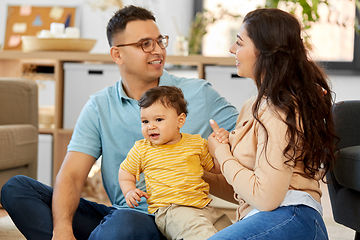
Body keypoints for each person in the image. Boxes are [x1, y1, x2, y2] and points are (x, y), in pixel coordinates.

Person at [0, 5, 239, 240]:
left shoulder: (199, 94)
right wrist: (62, 230)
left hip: (181, 216)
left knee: (125, 225)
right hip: (125, 214)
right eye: (146, 44)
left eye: (160, 41)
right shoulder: (99, 106)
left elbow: (250, 130)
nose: (157, 50)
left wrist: (220, 145)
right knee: (16, 189)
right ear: (117, 54)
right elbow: (71, 176)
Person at [207, 8, 337, 240]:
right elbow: (249, 191)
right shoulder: (252, 106)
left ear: (266, 52)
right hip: (268, 215)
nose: (231, 49)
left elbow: (267, 197)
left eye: (239, 42)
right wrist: (192, 174)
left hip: (292, 215)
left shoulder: (280, 109)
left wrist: (223, 153)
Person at [119, 86, 232, 240]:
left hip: (205, 207)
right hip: (172, 210)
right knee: (203, 236)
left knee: (232, 233)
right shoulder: (142, 148)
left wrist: (221, 146)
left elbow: (216, 169)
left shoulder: (196, 143)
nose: (150, 126)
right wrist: (129, 190)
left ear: (180, 120)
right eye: (145, 121)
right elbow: (126, 172)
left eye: (158, 120)